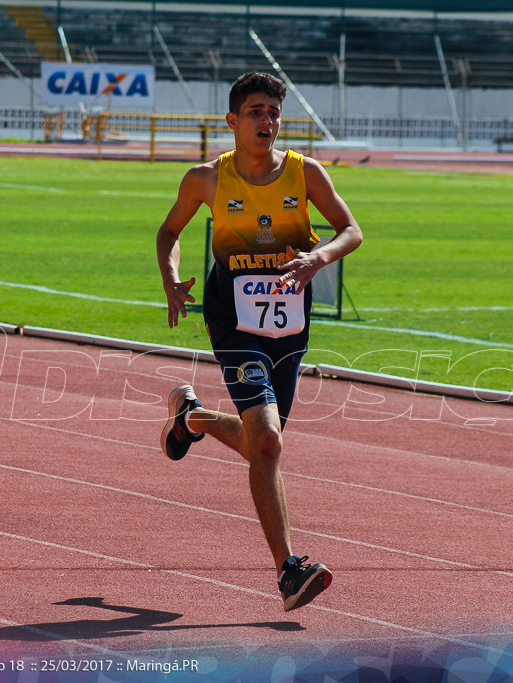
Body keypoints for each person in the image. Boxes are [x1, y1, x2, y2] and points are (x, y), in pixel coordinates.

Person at [155, 71, 363, 612]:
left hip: (290, 321)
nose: (266, 121)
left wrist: (319, 256)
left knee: (257, 445)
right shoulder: (206, 179)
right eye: (255, 111)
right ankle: (289, 570)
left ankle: (190, 419)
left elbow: (352, 230)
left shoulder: (305, 173)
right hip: (233, 318)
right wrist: (172, 278)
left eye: (273, 112)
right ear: (232, 121)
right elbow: (169, 231)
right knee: (268, 441)